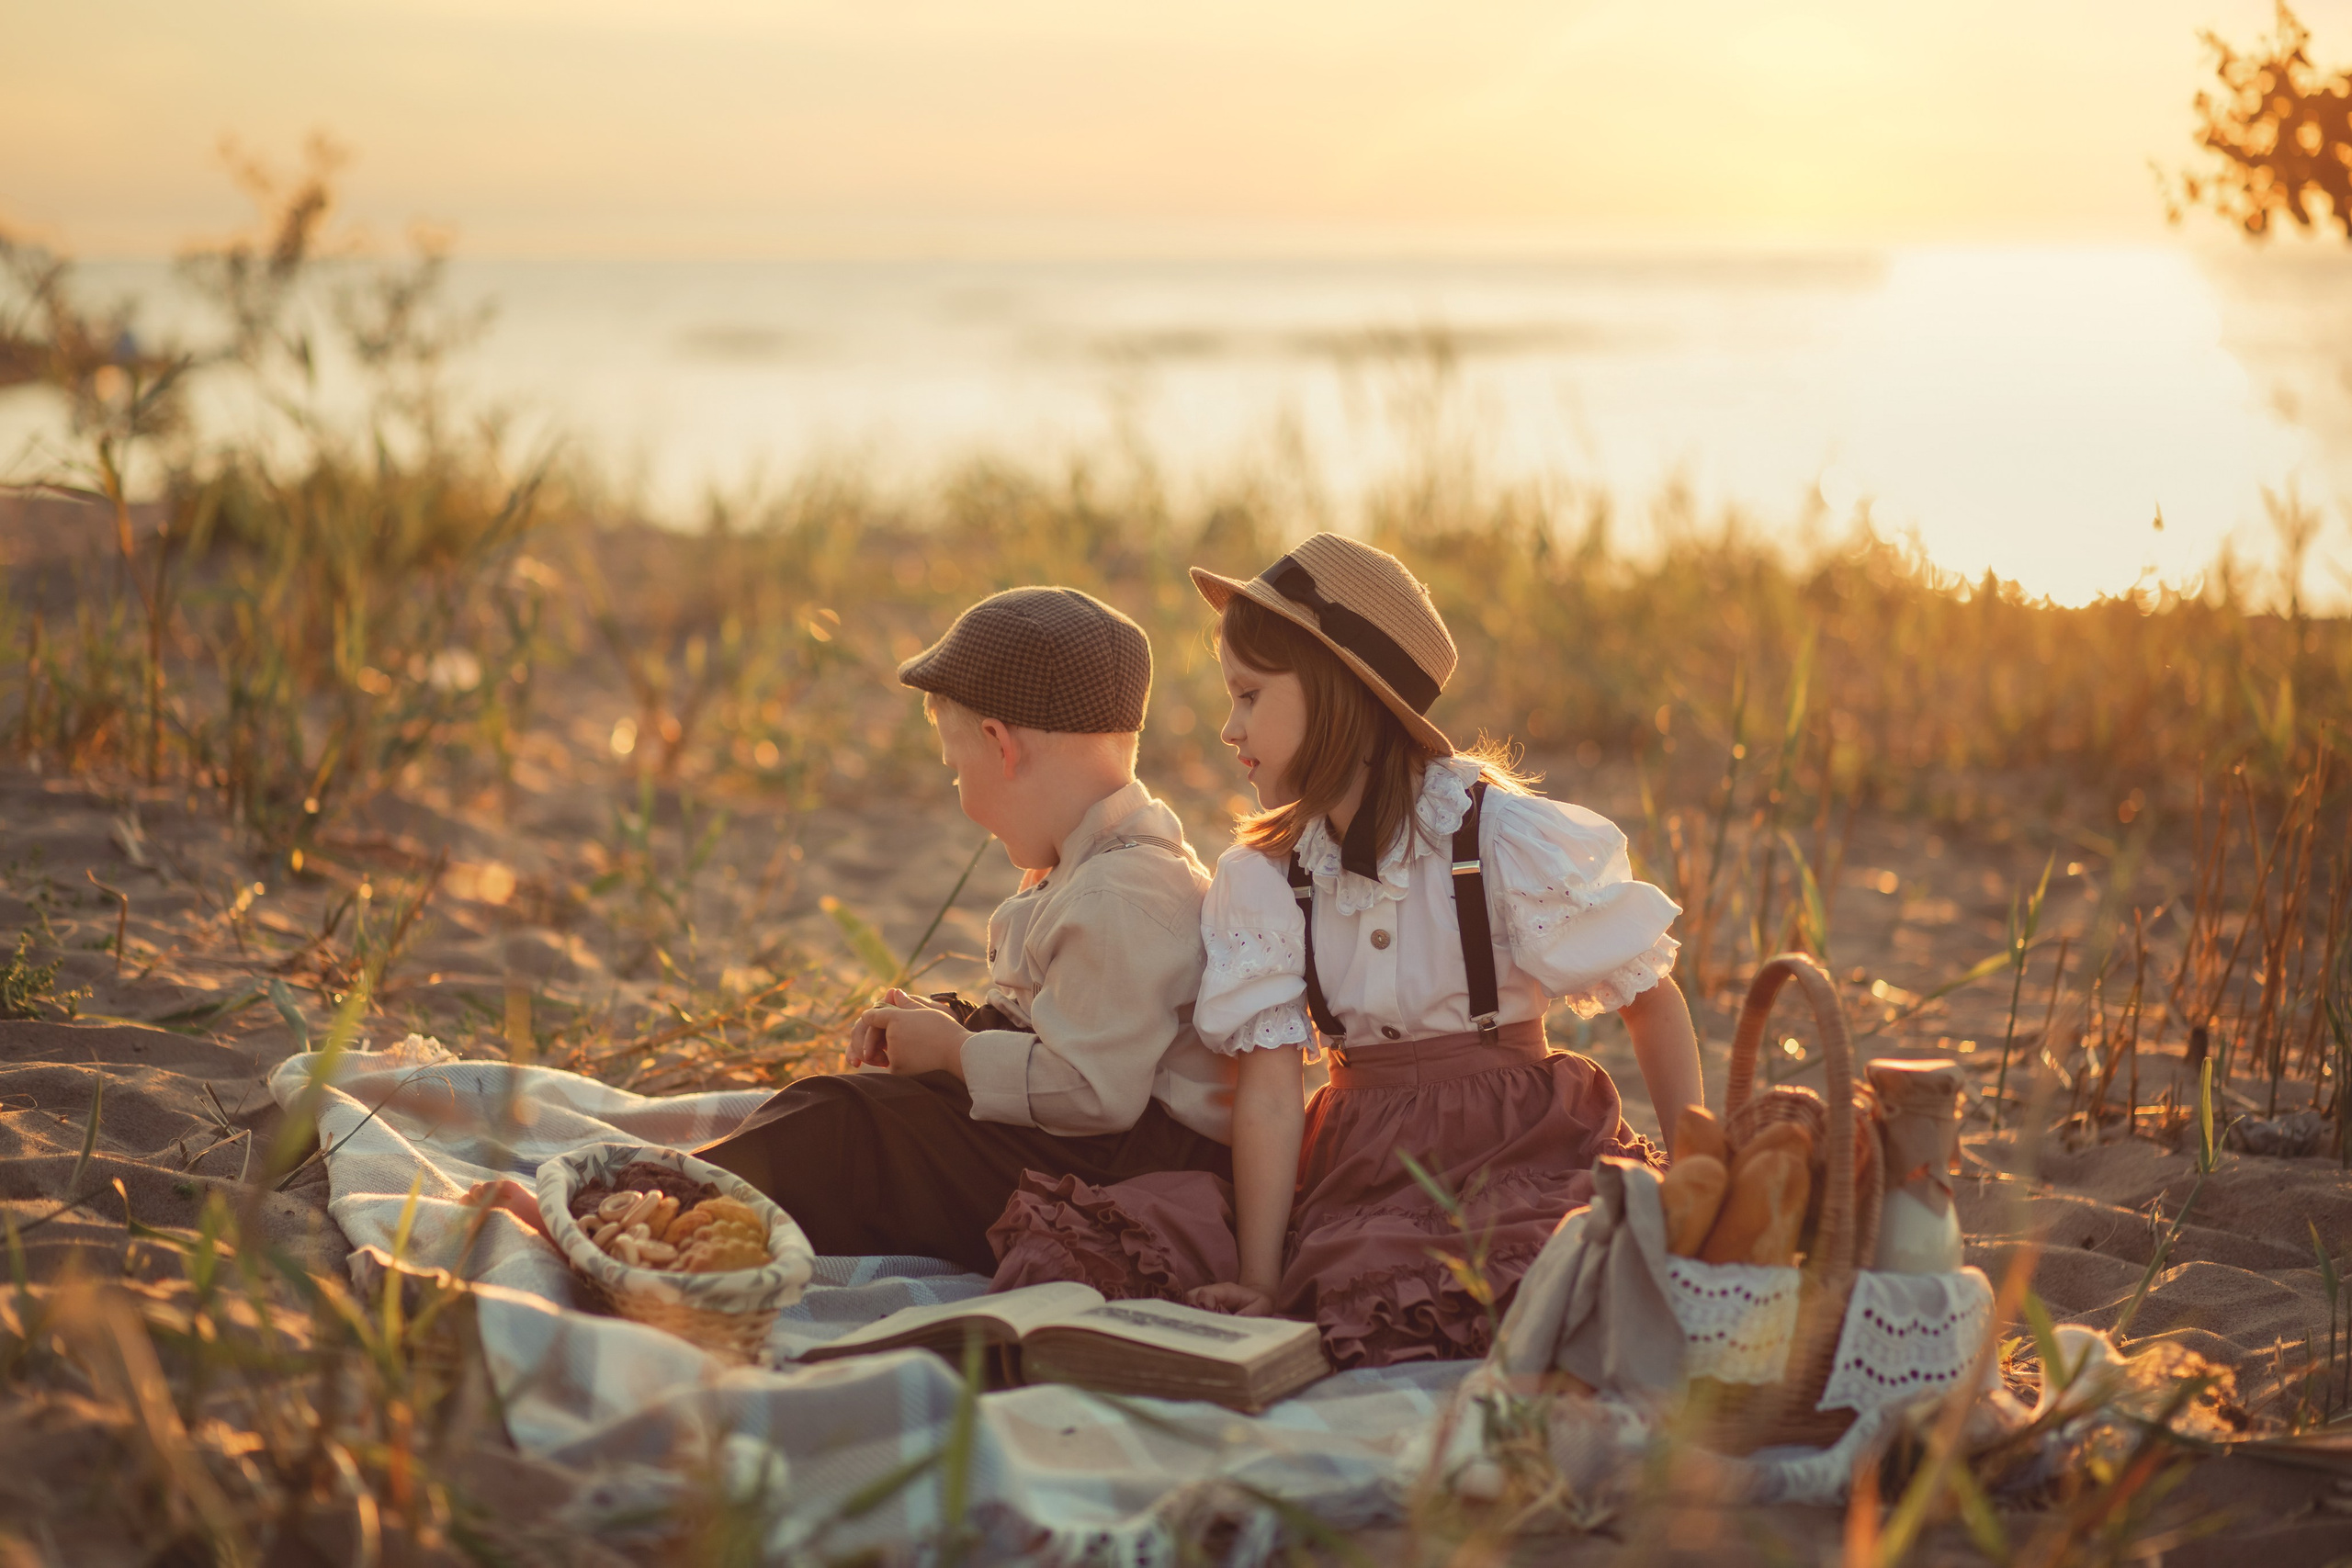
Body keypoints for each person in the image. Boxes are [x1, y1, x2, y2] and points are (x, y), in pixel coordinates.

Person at [988, 535, 1702, 1369]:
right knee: (1158, 1245)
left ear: (1339, 692)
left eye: (1250, 695)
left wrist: (1697, 1177)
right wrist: (1261, 1276)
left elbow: (1650, 998)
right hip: (1361, 1156)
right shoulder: (1267, 873)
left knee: (1537, 1256)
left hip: (1518, 1143)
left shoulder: (1495, 837)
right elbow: (1269, 1091)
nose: (1229, 727)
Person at [475, 587, 1235, 1274]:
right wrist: (947, 1034)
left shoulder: (1120, 893)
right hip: (1089, 1138)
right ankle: (678, 1197)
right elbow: (1069, 1030)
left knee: (853, 1129)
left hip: (1114, 1172)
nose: (957, 786)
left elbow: (1095, 1093)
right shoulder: (1095, 863)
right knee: (852, 1107)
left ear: (1002, 745)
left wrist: (958, 1052)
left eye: (955, 765)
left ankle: (642, 1215)